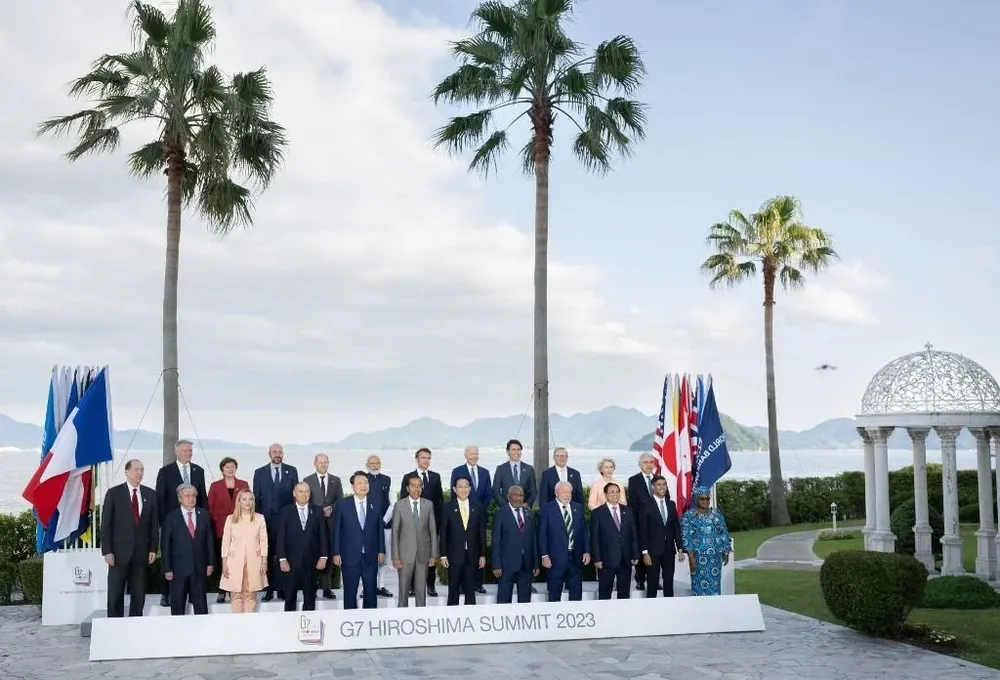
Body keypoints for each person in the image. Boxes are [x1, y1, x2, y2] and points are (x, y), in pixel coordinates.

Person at [100, 459, 158, 617]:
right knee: (115, 593)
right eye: (136, 469)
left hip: (141, 553)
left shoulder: (150, 494)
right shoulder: (114, 493)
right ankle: (114, 626)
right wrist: (107, 551)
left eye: (142, 470)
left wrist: (153, 548)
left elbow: (153, 524)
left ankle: (135, 626)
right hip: (118, 554)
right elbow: (106, 525)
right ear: (127, 472)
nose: (139, 473)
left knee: (139, 594)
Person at [154, 439, 207, 607]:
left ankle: (193, 593)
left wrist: (204, 518)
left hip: (194, 521)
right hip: (172, 522)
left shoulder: (198, 470)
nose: (188, 453)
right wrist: (163, 522)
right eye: (185, 451)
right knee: (169, 555)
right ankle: (165, 593)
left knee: (194, 556)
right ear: (176, 452)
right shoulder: (165, 471)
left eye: (190, 451)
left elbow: (203, 497)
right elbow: (160, 498)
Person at [251, 443, 298, 602]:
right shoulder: (259, 472)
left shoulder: (291, 471)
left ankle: (284, 589)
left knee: (285, 554)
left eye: (280, 452)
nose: (277, 454)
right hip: (266, 521)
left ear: (283, 454)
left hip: (286, 521)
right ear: (269, 453)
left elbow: (295, 497)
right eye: (274, 452)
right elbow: (256, 498)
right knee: (268, 554)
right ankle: (269, 589)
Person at [333, 471, 385, 609]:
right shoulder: (343, 504)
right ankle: (350, 624)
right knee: (350, 593)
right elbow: (336, 530)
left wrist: (381, 550)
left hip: (371, 556)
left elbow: (380, 530)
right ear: (353, 486)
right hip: (349, 556)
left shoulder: (376, 504)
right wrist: (336, 552)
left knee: (370, 593)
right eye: (360, 483)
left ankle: (370, 623)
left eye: (366, 482)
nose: (363, 485)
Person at [161, 483, 214, 615]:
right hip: (178, 570)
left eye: (193, 495)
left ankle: (202, 632)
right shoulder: (171, 517)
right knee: (178, 605)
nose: (191, 498)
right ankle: (178, 634)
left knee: (201, 606)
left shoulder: (204, 515)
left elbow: (209, 541)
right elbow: (165, 545)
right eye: (187, 496)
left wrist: (210, 563)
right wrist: (167, 568)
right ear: (180, 498)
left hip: (199, 568)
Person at [275, 482, 329, 611]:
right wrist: (282, 559)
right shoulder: (285, 511)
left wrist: (324, 556)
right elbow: (280, 537)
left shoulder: (317, 511)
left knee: (310, 597)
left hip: (312, 562)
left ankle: (309, 628)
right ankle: (289, 628)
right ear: (294, 493)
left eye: (307, 491)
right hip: (290, 563)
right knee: (290, 598)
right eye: (301, 491)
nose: (304, 494)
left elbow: (323, 536)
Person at [399, 448, 443, 597]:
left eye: (428, 458)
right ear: (417, 459)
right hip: (412, 525)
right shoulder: (408, 477)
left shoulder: (436, 477)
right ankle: (411, 586)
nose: (426, 461)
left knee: (430, 554)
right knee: (412, 554)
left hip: (430, 524)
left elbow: (439, 502)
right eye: (423, 458)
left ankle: (430, 585)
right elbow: (403, 502)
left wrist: (438, 524)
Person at [391, 476, 439, 607]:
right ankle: (402, 616)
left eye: (419, 486)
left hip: (423, 555)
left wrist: (434, 555)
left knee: (421, 590)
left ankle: (421, 617)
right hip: (404, 555)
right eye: (413, 485)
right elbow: (395, 532)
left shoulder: (428, 504)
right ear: (407, 488)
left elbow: (433, 530)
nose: (416, 489)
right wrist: (395, 557)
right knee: (403, 590)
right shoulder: (400, 505)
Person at [539, 481, 590, 601]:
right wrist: (544, 555)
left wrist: (587, 551)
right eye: (564, 492)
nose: (567, 495)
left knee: (576, 596)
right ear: (556, 493)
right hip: (555, 560)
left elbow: (584, 531)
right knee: (554, 596)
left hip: (576, 558)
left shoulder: (578, 507)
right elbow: (542, 534)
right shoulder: (547, 509)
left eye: (569, 492)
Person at [219, 488, 268, 613]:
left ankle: (249, 624)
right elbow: (225, 543)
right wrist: (224, 563)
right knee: (235, 594)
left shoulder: (259, 518)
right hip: (234, 562)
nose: (248, 502)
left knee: (251, 595)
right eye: (244, 499)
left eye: (251, 499)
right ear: (239, 501)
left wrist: (264, 562)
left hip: (254, 561)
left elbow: (263, 542)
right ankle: (237, 625)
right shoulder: (230, 519)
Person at [439, 477, 486, 606]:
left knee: (471, 590)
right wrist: (443, 555)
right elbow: (443, 532)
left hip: (473, 555)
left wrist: (482, 555)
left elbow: (481, 533)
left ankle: (470, 618)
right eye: (460, 486)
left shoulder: (479, 507)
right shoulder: (447, 507)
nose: (463, 489)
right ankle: (452, 618)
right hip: (454, 555)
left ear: (470, 488)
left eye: (466, 486)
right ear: (454, 489)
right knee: (453, 589)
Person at [207, 456, 248, 603]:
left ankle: (234, 590)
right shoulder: (215, 485)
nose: (230, 469)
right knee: (221, 559)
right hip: (220, 527)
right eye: (227, 467)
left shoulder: (243, 484)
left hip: (239, 526)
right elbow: (209, 508)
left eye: (232, 466)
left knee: (236, 560)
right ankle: (221, 591)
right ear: (222, 469)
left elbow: (249, 504)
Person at [303, 453, 343, 600]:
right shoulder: (307, 480)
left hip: (331, 523)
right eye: (321, 462)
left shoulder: (336, 480)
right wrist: (320, 511)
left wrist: (331, 509)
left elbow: (340, 500)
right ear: (315, 463)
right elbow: (304, 500)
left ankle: (327, 588)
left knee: (329, 553)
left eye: (326, 462)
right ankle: (312, 587)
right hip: (314, 523)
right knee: (314, 554)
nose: (323, 464)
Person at [589, 482, 639, 600]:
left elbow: (633, 534)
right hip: (606, 561)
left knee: (624, 594)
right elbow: (594, 538)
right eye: (611, 492)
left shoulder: (628, 511)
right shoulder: (597, 513)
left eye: (617, 492)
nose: (614, 494)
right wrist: (597, 558)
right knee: (604, 594)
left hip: (625, 559)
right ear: (605, 494)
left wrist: (635, 554)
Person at [490, 486, 539, 604]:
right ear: (508, 497)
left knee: (525, 601)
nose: (518, 498)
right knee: (504, 600)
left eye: (521, 495)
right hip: (506, 566)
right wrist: (496, 564)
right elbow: (496, 540)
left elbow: (534, 540)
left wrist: (536, 563)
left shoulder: (530, 514)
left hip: (526, 564)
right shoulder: (500, 514)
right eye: (515, 495)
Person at [638, 474, 684, 597]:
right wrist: (645, 552)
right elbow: (642, 529)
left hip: (669, 550)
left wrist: (679, 548)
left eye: (664, 484)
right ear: (653, 487)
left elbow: (676, 527)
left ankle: (669, 609)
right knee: (652, 582)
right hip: (652, 551)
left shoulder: (671, 504)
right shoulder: (646, 504)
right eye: (658, 485)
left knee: (669, 581)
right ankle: (651, 610)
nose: (662, 487)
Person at [681, 486, 732, 596]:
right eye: (702, 499)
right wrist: (691, 557)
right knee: (698, 587)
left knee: (715, 586)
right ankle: (700, 611)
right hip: (698, 558)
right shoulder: (689, 516)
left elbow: (724, 533)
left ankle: (714, 611)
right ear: (696, 499)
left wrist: (726, 551)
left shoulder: (717, 514)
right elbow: (686, 537)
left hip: (715, 558)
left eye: (707, 499)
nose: (705, 501)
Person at [626, 453, 657, 591]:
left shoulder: (658, 479)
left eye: (651, 462)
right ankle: (640, 579)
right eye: (646, 462)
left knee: (655, 552)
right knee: (641, 551)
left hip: (656, 524)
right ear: (640, 464)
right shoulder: (633, 480)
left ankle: (654, 579)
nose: (649, 464)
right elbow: (633, 503)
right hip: (640, 522)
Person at [365, 455, 394, 599]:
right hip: (367, 526)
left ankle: (381, 586)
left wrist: (384, 520)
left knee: (384, 557)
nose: (375, 465)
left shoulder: (387, 480)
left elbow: (393, 502)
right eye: (372, 463)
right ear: (367, 465)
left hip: (385, 525)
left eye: (377, 463)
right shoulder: (362, 479)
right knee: (369, 556)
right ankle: (368, 587)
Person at [492, 439, 537, 508]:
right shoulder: (501, 469)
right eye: (513, 449)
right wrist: (506, 506)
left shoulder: (529, 469)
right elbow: (495, 491)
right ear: (508, 452)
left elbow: (533, 491)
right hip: (506, 510)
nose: (516, 452)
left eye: (518, 449)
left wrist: (527, 504)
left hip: (524, 509)